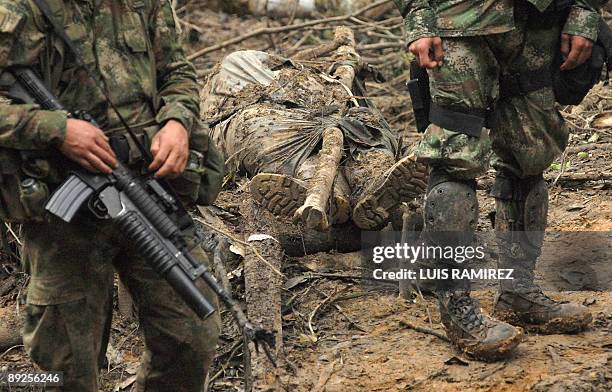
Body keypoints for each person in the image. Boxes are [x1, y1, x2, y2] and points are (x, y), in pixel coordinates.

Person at [0, 1, 220, 390]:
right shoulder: (19, 8)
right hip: (62, 212)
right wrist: (54, 128)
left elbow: (177, 71)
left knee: (192, 333)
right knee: (65, 365)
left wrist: (177, 122)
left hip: (145, 190)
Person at [393, 0, 603, 360]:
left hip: (540, 20)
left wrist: (585, 12)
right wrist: (419, 16)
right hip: (459, 20)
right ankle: (456, 305)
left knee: (531, 154)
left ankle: (518, 291)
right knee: (455, 156)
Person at [203, 48, 428, 231]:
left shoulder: (299, 77)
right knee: (265, 129)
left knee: (362, 120)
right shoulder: (230, 88)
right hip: (273, 123)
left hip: (314, 117)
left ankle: (369, 184)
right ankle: (333, 191)